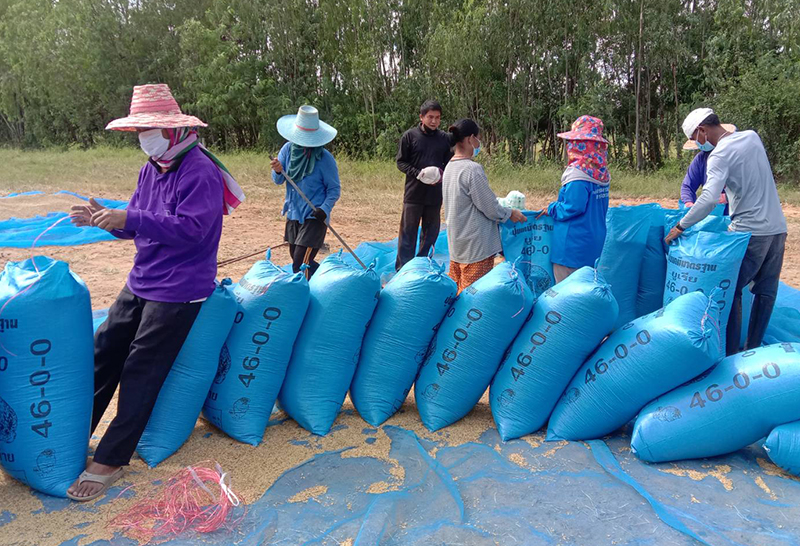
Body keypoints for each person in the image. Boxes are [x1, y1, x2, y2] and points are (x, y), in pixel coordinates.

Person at [67, 84, 244, 501]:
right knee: (104, 349)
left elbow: (192, 230)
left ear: (172, 130)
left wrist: (130, 217)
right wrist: (105, 220)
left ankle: (111, 458)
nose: (143, 138)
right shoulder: (152, 167)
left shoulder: (199, 170)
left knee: (140, 367)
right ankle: (74, 436)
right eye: (139, 131)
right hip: (143, 278)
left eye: (149, 130)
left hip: (181, 286)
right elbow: (136, 221)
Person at [665, 108, 787, 356]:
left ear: (702, 130)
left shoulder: (719, 154)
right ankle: (752, 351)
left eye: (696, 139)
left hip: (749, 233)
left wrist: (681, 226)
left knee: (731, 290)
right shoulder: (752, 137)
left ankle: (730, 355)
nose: (698, 145)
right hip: (777, 229)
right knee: (765, 293)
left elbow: (709, 199)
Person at [442, 119, 526, 293]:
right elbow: (489, 206)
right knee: (472, 296)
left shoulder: (450, 166)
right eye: (478, 138)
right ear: (471, 139)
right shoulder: (472, 169)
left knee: (455, 291)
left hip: (457, 243)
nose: (479, 143)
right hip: (475, 247)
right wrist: (510, 213)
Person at [271, 105, 341, 277]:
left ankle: (312, 288)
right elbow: (278, 180)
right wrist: (278, 170)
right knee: (298, 259)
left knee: (300, 263)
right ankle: (326, 278)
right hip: (294, 213)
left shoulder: (324, 158)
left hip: (314, 217)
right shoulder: (288, 150)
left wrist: (324, 209)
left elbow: (334, 189)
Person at [539, 116, 610, 283]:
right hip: (593, 241)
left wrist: (552, 208)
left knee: (566, 292)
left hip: (571, 246)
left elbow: (573, 207)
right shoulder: (601, 173)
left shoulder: (578, 175)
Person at [395, 100, 454, 271]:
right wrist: (417, 173)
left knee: (430, 234)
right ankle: (403, 270)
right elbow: (401, 162)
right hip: (413, 195)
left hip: (434, 196)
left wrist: (441, 175)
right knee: (408, 233)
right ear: (421, 117)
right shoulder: (410, 136)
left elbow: (449, 163)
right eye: (430, 117)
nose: (434, 121)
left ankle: (422, 267)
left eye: (437, 117)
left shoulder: (444, 139)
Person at [680, 121, 737, 214]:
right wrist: (688, 203)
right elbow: (688, 186)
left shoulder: (735, 155)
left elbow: (751, 186)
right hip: (714, 215)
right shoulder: (701, 159)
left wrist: (727, 196)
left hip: (740, 213)